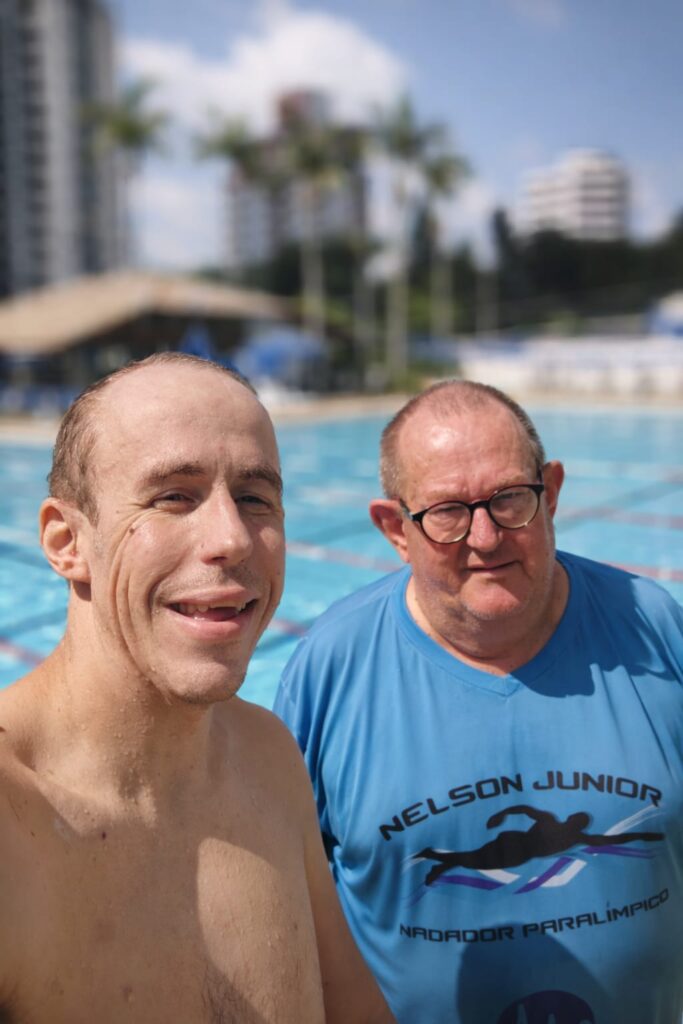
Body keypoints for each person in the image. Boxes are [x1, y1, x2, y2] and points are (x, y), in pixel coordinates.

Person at [0, 353, 394, 1024]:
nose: (232, 538)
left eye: (255, 498)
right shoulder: (12, 820)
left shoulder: (268, 757)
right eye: (174, 497)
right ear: (67, 542)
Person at [274, 379, 683, 1024]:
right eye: (447, 512)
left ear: (552, 493)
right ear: (395, 529)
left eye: (510, 498)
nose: (486, 537)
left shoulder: (653, 629)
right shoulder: (330, 670)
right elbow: (279, 901)